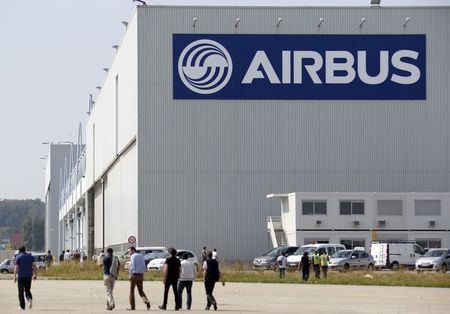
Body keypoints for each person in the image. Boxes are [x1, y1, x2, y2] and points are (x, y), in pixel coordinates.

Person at [13, 246, 37, 310]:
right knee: (27, 290)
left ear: (19, 251)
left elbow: (16, 268)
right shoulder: (30, 256)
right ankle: (29, 299)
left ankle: (22, 306)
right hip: (29, 276)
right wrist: (35, 274)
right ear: (25, 250)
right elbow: (34, 266)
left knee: (20, 292)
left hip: (21, 277)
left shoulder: (18, 257)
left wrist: (14, 277)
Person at [128, 247, 151, 311]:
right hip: (141, 275)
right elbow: (144, 265)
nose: (129, 252)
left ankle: (132, 307)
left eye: (129, 251)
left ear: (133, 250)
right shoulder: (141, 256)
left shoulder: (133, 256)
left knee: (131, 291)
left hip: (134, 275)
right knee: (140, 291)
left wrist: (130, 275)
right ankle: (146, 301)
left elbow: (132, 266)